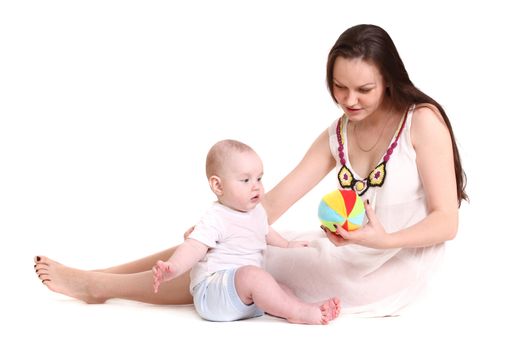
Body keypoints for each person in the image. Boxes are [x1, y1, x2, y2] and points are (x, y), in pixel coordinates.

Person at [34, 24, 467, 317]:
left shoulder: (422, 121)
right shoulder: (339, 132)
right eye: (339, 87)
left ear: (389, 80)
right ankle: (104, 275)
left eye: (364, 89)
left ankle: (102, 286)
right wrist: (221, 219)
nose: (349, 100)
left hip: (391, 268)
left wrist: (385, 239)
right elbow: (273, 202)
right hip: (350, 250)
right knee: (223, 236)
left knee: (232, 255)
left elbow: (446, 223)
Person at [151, 139, 340, 324]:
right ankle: (297, 311)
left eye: (259, 178)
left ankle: (301, 306)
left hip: (243, 296)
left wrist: (287, 244)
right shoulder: (216, 217)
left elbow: (265, 231)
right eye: (245, 180)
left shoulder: (256, 212)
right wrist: (174, 266)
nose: (256, 185)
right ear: (218, 186)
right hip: (214, 294)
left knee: (279, 287)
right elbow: (193, 246)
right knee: (255, 277)